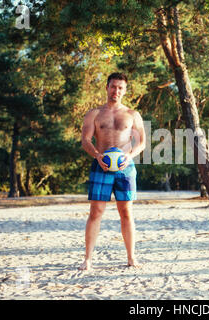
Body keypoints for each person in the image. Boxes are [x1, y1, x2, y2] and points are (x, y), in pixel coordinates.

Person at [79, 72, 146, 271]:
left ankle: (131, 257)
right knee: (96, 211)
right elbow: (85, 140)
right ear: (107, 87)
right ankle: (88, 259)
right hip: (101, 165)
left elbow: (142, 142)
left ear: (125, 91)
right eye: (113, 86)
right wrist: (98, 156)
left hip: (125, 167)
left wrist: (130, 155)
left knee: (126, 212)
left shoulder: (133, 115)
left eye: (120, 88)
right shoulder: (94, 114)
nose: (116, 91)